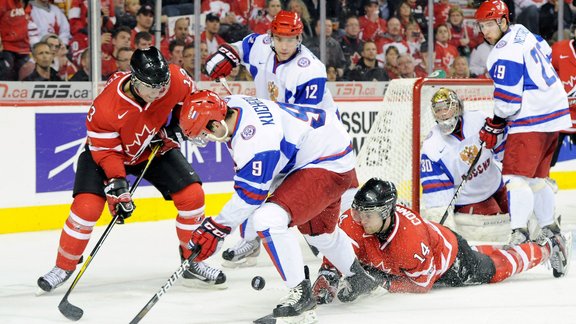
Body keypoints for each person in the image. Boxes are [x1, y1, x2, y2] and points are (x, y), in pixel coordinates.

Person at [36, 47, 226, 294]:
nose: (159, 93)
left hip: (152, 148)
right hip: (108, 154)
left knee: (193, 196)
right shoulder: (106, 106)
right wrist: (118, 187)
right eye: (152, 87)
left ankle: (193, 260)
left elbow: (186, 106)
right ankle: (64, 266)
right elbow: (106, 152)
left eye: (163, 85)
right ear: (135, 80)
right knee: (86, 208)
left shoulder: (176, 78)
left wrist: (179, 127)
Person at [181, 90, 378, 322]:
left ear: (215, 124)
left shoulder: (256, 140)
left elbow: (251, 196)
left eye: (204, 133)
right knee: (319, 234)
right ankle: (359, 277)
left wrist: (216, 228)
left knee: (268, 219)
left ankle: (300, 295)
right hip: (324, 149)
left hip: (325, 162)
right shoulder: (232, 104)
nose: (205, 139)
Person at [203, 10, 355, 267]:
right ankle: (251, 239)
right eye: (279, 38)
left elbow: (302, 119)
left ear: (299, 39)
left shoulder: (310, 70)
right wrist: (225, 55)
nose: (284, 45)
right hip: (273, 125)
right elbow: (242, 47)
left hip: (317, 135)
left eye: (290, 39)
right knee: (255, 179)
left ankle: (338, 234)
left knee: (333, 186)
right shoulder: (262, 45)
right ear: (271, 36)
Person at [311, 178, 571, 304]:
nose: (358, 219)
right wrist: (327, 275)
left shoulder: (409, 244)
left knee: (495, 268)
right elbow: (336, 249)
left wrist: (376, 280)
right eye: (358, 212)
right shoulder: (353, 221)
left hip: (448, 259)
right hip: (423, 244)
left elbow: (422, 284)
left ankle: (547, 247)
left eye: (366, 214)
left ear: (385, 213)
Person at [475, 0, 571, 245]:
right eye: (481, 25)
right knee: (536, 180)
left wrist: (494, 124)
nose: (484, 31)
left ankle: (519, 232)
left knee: (515, 178)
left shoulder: (502, 53)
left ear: (503, 21)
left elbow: (508, 104)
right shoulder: (522, 32)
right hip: (554, 114)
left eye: (489, 24)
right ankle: (550, 228)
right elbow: (545, 51)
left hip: (532, 117)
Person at [420, 88, 509, 242]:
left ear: (457, 106)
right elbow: (437, 199)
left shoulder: (478, 119)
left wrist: (513, 173)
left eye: (446, 108)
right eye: (438, 110)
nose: (442, 114)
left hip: (497, 186)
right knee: (496, 235)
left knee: (521, 217)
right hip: (470, 200)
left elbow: (503, 147)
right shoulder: (432, 147)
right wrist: (445, 233)